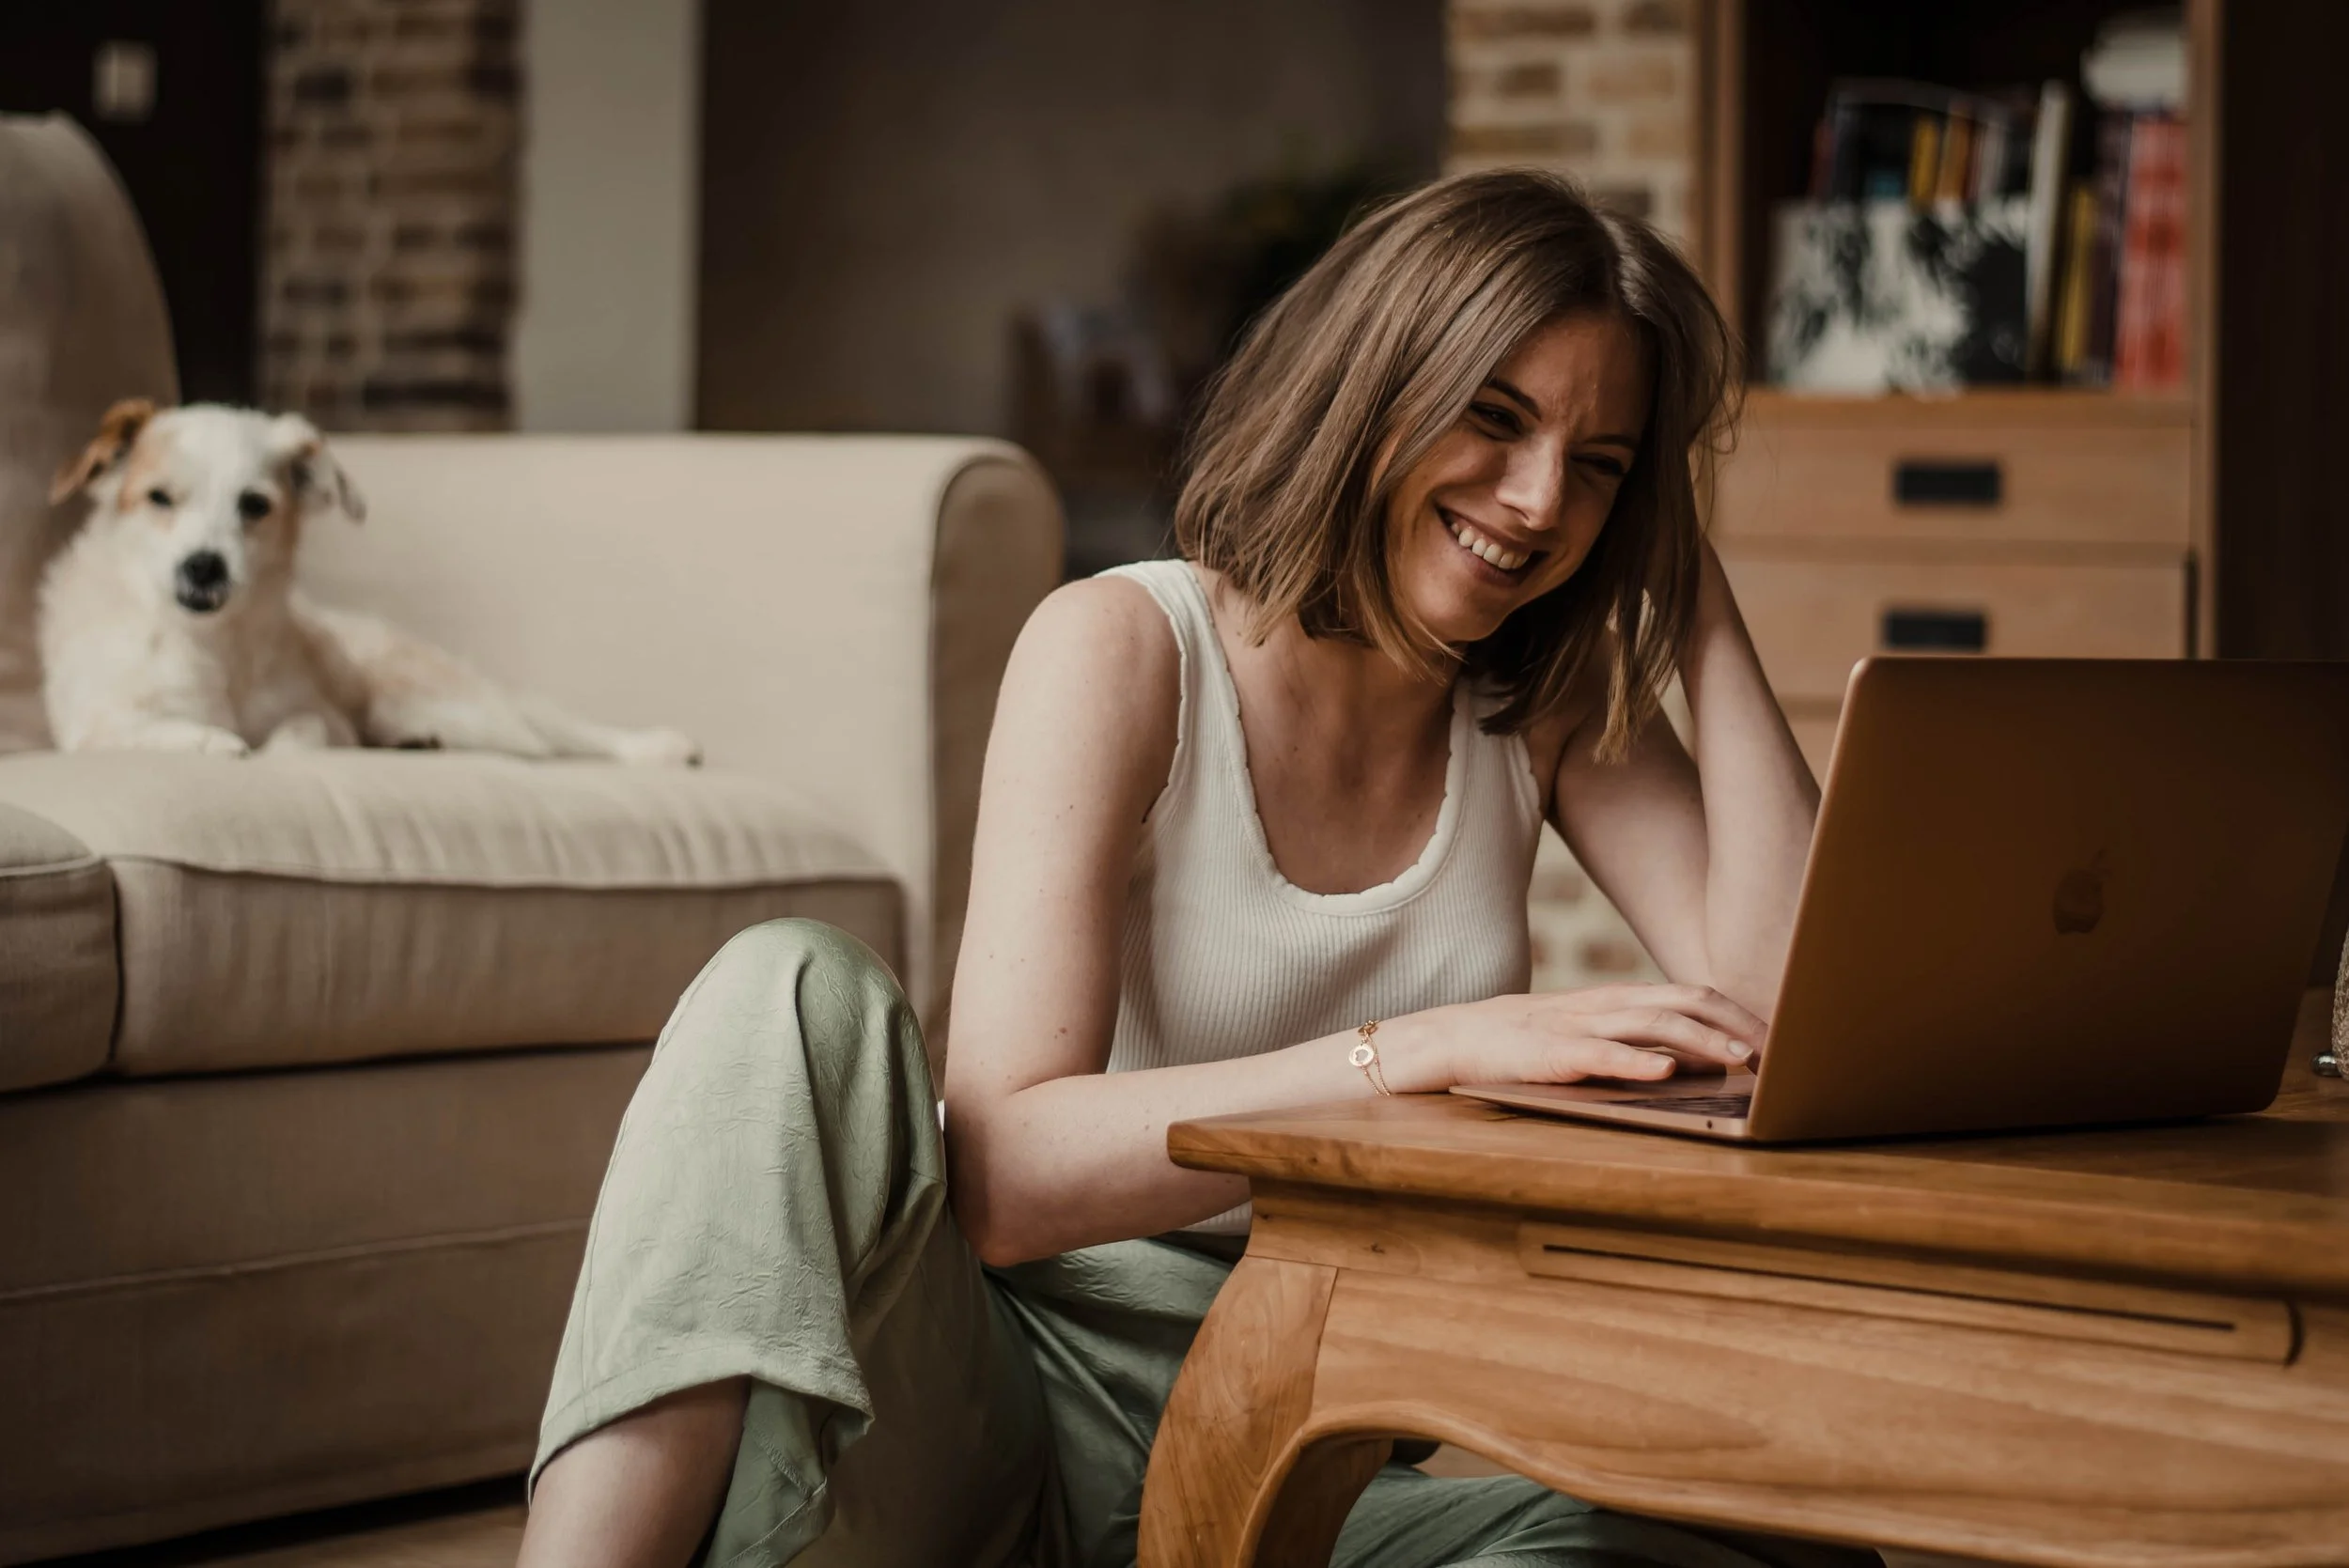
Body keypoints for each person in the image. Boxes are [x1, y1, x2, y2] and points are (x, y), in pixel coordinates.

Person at [516, 169, 1859, 1568]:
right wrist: (1424, 1052)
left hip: (1312, 1440)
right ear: (1373, 391)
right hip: (997, 1405)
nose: (1534, 504)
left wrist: (1688, 584)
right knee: (780, 991)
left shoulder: (1539, 707)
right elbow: (1009, 1173)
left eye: (1599, 465)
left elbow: (1783, 1017)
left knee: (1752, 1553)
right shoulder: (1122, 649)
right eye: (1497, 419)